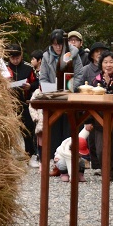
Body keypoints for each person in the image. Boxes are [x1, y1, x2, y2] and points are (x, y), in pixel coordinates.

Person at [39, 29, 83, 158]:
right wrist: (52, 91)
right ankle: (55, 158)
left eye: (60, 44)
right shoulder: (46, 56)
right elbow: (43, 78)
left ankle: (69, 157)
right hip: (53, 98)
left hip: (70, 97)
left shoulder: (73, 54)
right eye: (55, 44)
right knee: (54, 129)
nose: (58, 47)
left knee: (69, 128)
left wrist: (71, 88)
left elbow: (79, 74)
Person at [6, 44, 39, 168]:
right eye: (12, 57)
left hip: (24, 103)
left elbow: (36, 82)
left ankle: (29, 155)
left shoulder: (28, 68)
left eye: (17, 56)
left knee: (28, 130)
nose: (15, 59)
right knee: (7, 131)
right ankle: (7, 157)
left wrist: (30, 86)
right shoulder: (3, 69)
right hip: (8, 104)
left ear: (21, 55)